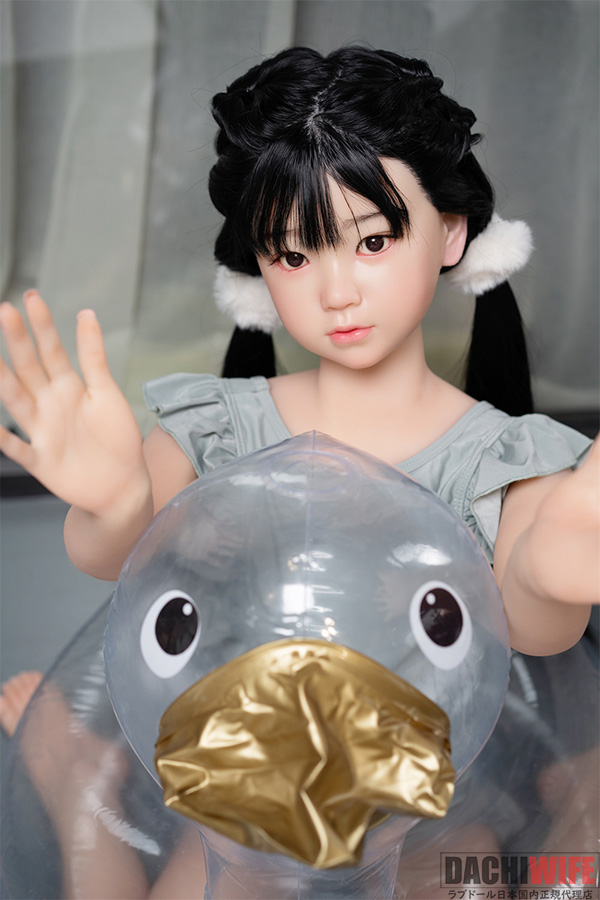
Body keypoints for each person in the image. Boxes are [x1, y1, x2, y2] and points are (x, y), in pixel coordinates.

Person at [0, 45, 597, 899]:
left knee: (472, 880)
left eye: (374, 241)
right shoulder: (222, 426)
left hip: (427, 795)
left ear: (452, 231)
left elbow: (535, 630)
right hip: (244, 787)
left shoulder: (497, 455)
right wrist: (117, 503)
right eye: (293, 256)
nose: (337, 291)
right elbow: (115, 560)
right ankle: (80, 790)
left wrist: (549, 568)